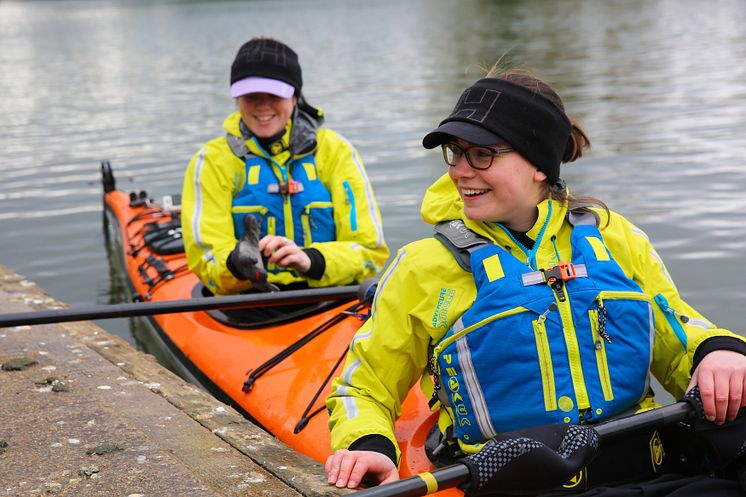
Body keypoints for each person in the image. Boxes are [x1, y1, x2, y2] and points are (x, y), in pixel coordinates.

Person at [324, 67, 746, 495]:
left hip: (649, 476)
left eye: (482, 155)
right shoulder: (421, 266)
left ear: (538, 164)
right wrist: (368, 443)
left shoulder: (614, 237)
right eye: (455, 152)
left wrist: (717, 352)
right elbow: (363, 387)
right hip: (514, 486)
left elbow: (679, 332)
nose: (459, 172)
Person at [181, 37, 388, 298]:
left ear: (295, 96)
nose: (262, 105)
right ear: (237, 98)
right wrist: (237, 262)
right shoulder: (210, 161)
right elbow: (206, 261)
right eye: (251, 95)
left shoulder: (336, 151)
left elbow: (370, 252)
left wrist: (311, 260)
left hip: (328, 300)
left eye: (274, 94)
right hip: (245, 306)